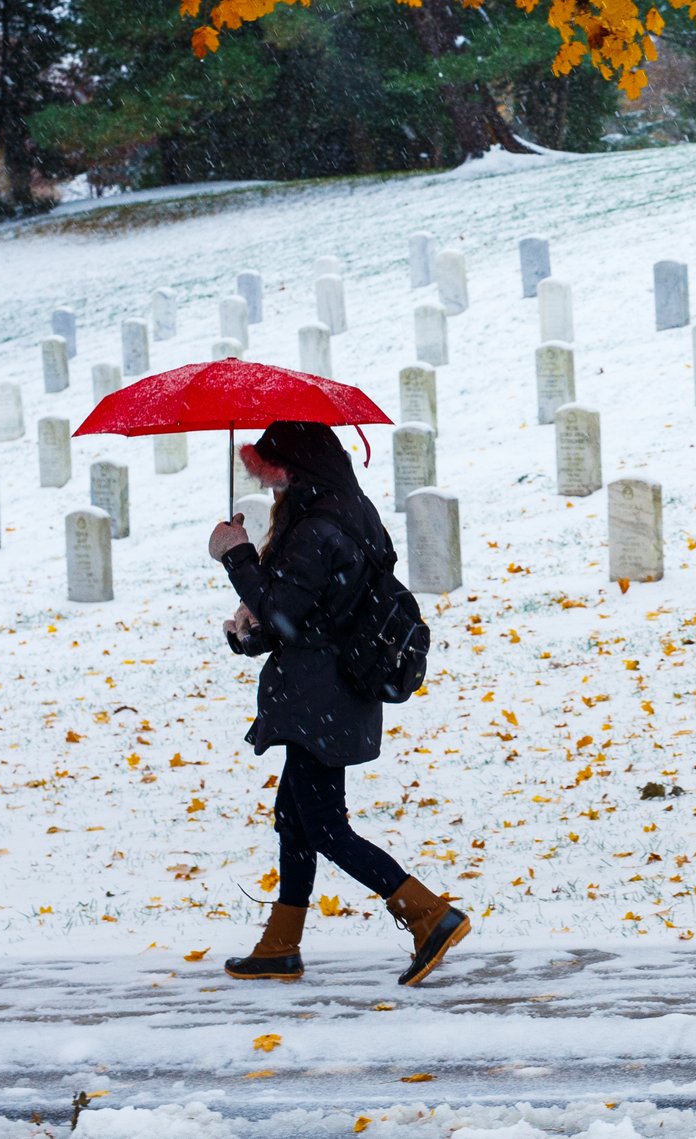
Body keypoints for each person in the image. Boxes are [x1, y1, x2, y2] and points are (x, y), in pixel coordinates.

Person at [208, 419, 469, 985]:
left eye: (277, 478)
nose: (274, 490)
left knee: (324, 826)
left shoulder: (316, 528)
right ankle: (280, 945)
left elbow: (284, 610)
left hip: (317, 696)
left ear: (297, 469)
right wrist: (247, 633)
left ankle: (428, 913)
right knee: (294, 819)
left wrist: (236, 556)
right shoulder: (347, 512)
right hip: (329, 690)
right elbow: (303, 617)